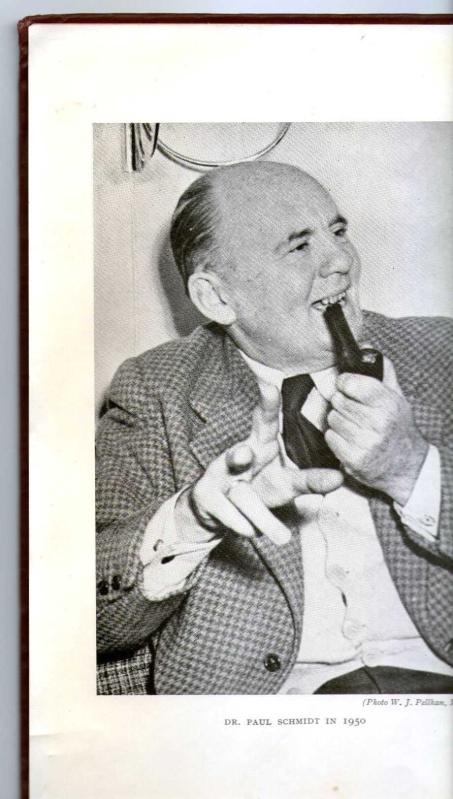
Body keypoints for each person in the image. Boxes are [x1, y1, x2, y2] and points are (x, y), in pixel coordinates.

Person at [96, 161, 453, 695]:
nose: (342, 261)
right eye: (299, 246)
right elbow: (84, 618)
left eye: (338, 232)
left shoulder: (443, 351)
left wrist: (412, 470)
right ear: (218, 298)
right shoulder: (154, 389)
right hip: (270, 721)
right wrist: (192, 519)